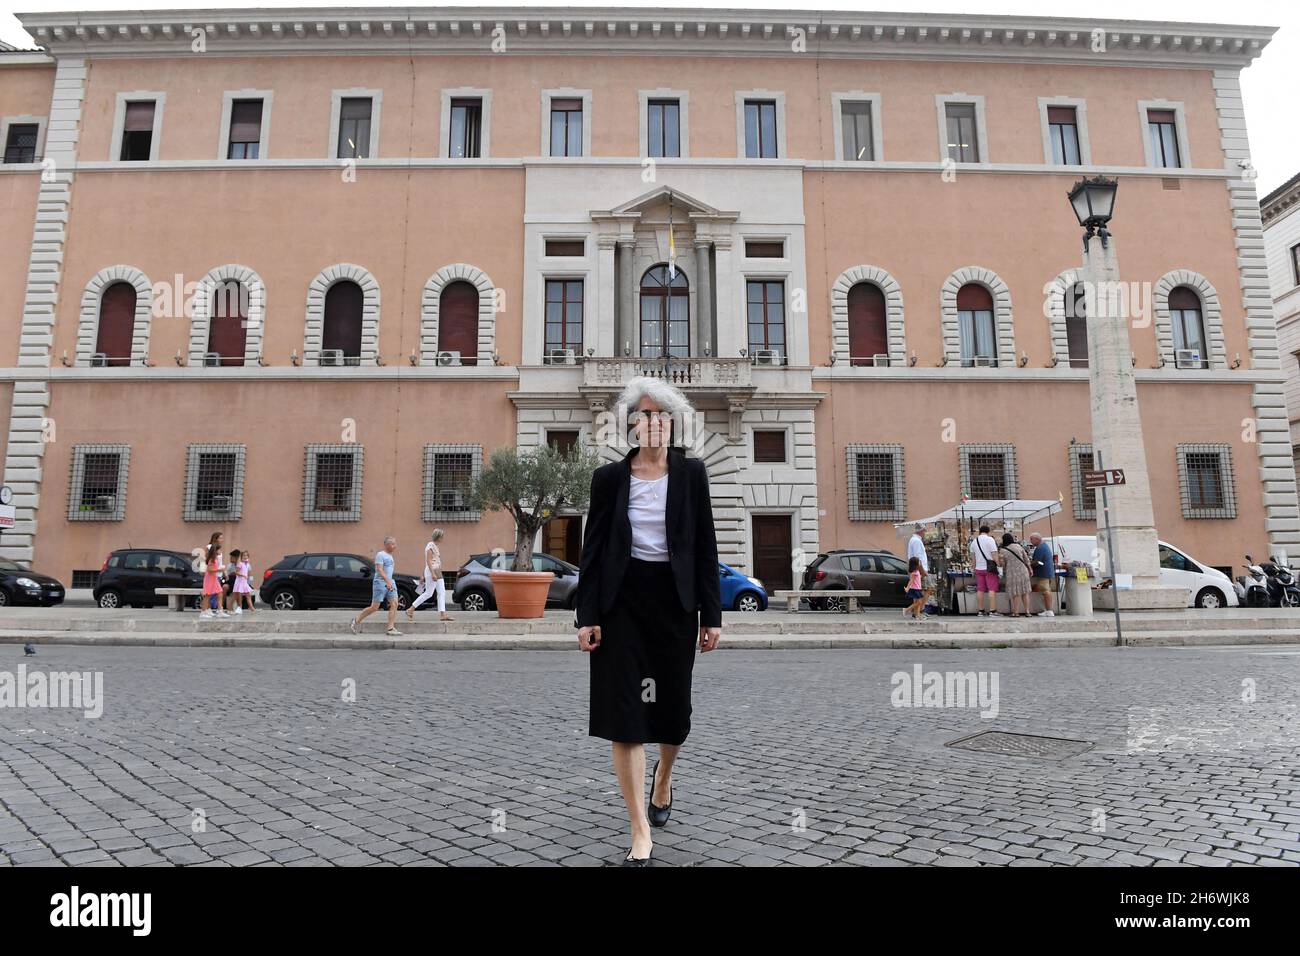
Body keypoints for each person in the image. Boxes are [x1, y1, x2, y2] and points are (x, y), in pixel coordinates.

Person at [575, 376, 722, 867]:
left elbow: (705, 548)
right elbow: (592, 552)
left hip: (674, 602)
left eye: (661, 415)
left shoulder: (692, 474)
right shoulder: (609, 480)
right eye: (644, 414)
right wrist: (587, 616)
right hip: (622, 604)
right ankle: (640, 828)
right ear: (631, 423)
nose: (653, 423)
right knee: (626, 718)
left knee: (673, 714)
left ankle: (664, 776)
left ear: (672, 423)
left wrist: (712, 615)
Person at [351, 536, 401, 636]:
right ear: (387, 545)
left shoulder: (390, 556)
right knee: (374, 607)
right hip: (380, 583)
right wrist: (387, 581)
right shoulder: (380, 555)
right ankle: (356, 621)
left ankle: (390, 628)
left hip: (390, 582)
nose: (395, 546)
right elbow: (379, 570)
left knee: (395, 603)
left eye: (395, 544)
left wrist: (390, 582)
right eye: (393, 544)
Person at [407, 529, 454, 623]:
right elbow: (428, 561)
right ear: (439, 537)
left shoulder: (435, 546)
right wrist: (432, 573)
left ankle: (442, 614)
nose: (443, 538)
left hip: (436, 571)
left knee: (440, 592)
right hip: (433, 571)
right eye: (442, 536)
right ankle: (411, 609)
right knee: (430, 593)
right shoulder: (430, 546)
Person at [999, 532, 1033, 618]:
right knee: (1025, 592)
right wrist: (1030, 569)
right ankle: (1027, 612)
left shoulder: (1003, 550)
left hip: (1012, 573)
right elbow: (1026, 559)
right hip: (1023, 571)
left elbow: (1003, 564)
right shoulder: (1019, 546)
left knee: (1016, 592)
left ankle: (1016, 612)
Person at [969, 524, 1001, 617]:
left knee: (980, 590)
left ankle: (981, 611)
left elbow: (973, 558)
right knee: (992, 589)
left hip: (979, 569)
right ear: (988, 532)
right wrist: (998, 565)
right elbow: (994, 554)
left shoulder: (974, 542)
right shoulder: (990, 540)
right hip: (989, 569)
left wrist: (974, 569)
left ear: (980, 531)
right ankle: (992, 611)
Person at [200, 531, 228, 620]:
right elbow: (209, 567)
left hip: (215, 576)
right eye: (220, 538)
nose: (222, 540)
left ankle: (220, 610)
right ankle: (204, 611)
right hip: (211, 576)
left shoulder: (215, 555)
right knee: (208, 595)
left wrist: (223, 572)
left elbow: (218, 563)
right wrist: (220, 569)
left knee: (219, 593)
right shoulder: (210, 550)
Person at [1028, 532, 1056, 617]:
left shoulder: (1040, 548)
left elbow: (1037, 562)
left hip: (1043, 572)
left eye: (1031, 539)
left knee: (1045, 591)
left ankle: (1049, 611)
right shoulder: (1044, 546)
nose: (1030, 541)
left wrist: (1029, 564)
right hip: (1047, 571)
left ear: (1037, 539)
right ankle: (1048, 610)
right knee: (1046, 590)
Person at [230, 549, 255, 614]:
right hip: (239, 582)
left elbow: (248, 573)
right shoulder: (240, 563)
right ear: (241, 557)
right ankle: (231, 608)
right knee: (236, 596)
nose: (245, 557)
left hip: (244, 582)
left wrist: (247, 577)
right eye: (244, 555)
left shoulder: (247, 564)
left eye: (246, 555)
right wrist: (243, 575)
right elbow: (236, 572)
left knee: (248, 595)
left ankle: (252, 608)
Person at [905, 556, 925, 622]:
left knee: (918, 603)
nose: (920, 563)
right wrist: (907, 588)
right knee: (919, 602)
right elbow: (911, 581)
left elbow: (918, 578)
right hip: (915, 589)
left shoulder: (917, 571)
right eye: (919, 562)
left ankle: (917, 616)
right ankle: (907, 610)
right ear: (916, 564)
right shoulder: (914, 573)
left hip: (918, 588)